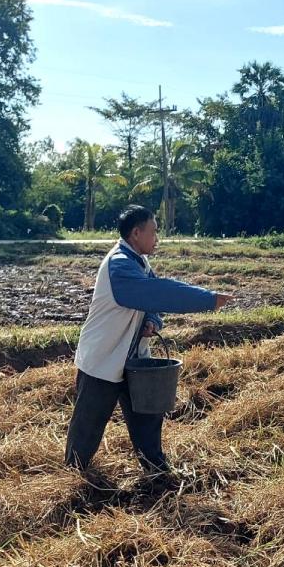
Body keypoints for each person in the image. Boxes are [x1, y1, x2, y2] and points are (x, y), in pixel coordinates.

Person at [65, 204, 233, 495]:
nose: (158, 237)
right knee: (88, 424)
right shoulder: (119, 263)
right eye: (154, 231)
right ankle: (72, 476)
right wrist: (207, 299)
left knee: (147, 417)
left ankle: (157, 474)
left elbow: (151, 304)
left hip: (132, 360)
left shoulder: (139, 262)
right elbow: (155, 293)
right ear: (136, 232)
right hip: (103, 360)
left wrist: (152, 322)